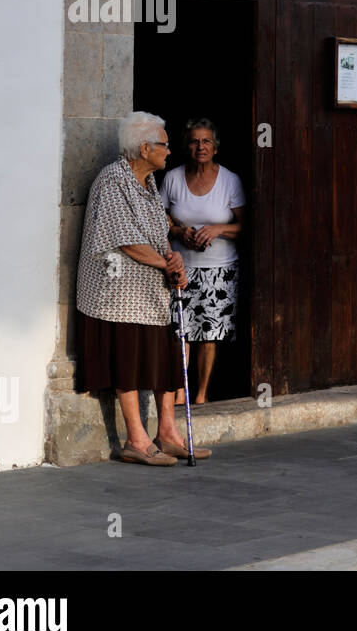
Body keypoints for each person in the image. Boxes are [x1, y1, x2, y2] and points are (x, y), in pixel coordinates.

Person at [75, 111, 212, 464]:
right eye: (164, 145)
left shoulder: (147, 183)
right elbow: (126, 241)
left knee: (166, 356)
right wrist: (166, 263)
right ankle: (135, 440)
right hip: (118, 293)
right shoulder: (112, 181)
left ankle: (167, 433)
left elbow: (155, 234)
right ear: (145, 146)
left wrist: (173, 259)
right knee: (129, 360)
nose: (170, 151)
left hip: (152, 292)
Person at [161, 118, 245, 404]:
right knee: (179, 331)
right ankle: (179, 391)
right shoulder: (172, 178)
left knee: (209, 334)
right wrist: (178, 231)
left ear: (216, 147)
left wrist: (219, 229)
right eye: (195, 141)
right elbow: (160, 216)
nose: (201, 146)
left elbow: (246, 226)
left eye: (206, 141)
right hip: (179, 266)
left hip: (219, 269)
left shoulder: (230, 181)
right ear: (187, 146)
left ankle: (201, 395)